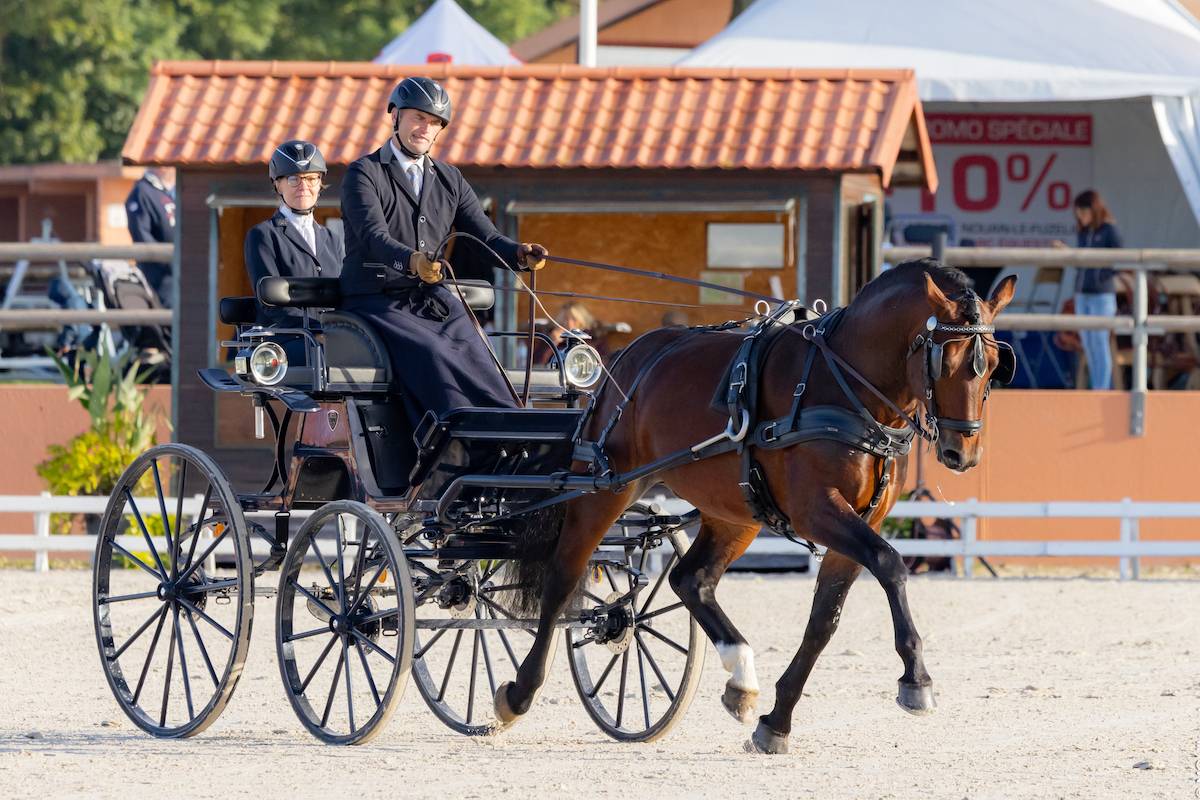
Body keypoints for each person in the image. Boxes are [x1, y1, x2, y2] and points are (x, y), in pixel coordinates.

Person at [339, 76, 548, 426]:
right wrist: (412, 260)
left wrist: (518, 254)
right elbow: (373, 235)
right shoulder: (364, 173)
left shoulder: (450, 178)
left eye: (434, 123)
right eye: (418, 118)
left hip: (429, 298)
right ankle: (452, 436)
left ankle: (512, 430)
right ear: (396, 116)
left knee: (478, 350)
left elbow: (485, 236)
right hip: (375, 299)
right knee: (434, 351)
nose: (425, 128)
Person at [244, 140, 343, 340]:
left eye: (311, 179)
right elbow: (271, 303)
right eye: (293, 179)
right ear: (277, 184)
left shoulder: (332, 239)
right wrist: (314, 332)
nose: (304, 187)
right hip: (287, 340)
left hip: (333, 339)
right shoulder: (263, 235)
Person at [1056, 189, 1122, 389]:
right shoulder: (1083, 232)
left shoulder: (1109, 230)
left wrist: (1098, 270)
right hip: (1082, 294)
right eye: (1078, 213)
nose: (1081, 217)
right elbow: (1081, 262)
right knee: (1088, 343)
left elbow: (1118, 260)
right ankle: (1097, 387)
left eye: (1084, 213)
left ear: (1095, 210)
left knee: (1100, 342)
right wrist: (1070, 254)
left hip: (1102, 294)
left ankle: (1101, 389)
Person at [124, 166, 176, 307]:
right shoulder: (141, 192)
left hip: (179, 276)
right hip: (159, 278)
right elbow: (142, 236)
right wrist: (171, 261)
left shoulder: (170, 193)